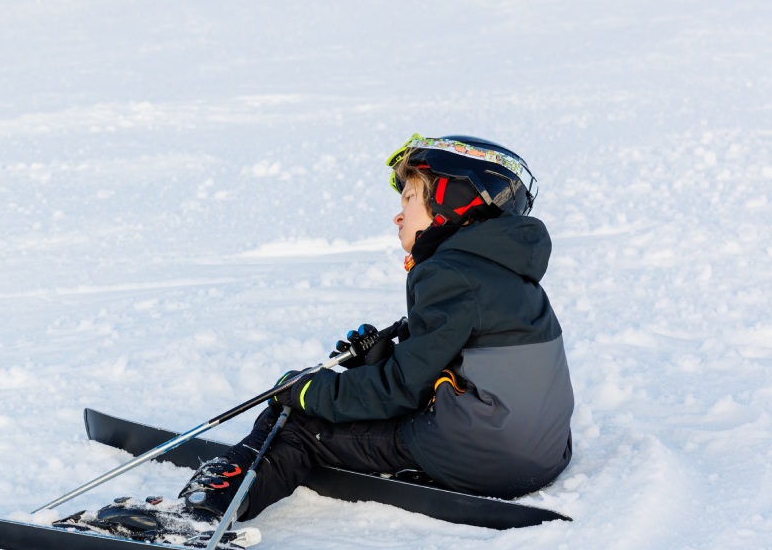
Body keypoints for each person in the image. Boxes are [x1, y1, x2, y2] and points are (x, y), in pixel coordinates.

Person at [180, 134, 574, 521]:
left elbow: (402, 388)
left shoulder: (447, 273)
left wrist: (308, 393)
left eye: (409, 198)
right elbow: (461, 359)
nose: (398, 214)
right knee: (334, 407)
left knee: (298, 422)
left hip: (483, 455)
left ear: (451, 203)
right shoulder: (508, 272)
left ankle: (202, 509)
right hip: (542, 455)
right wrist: (382, 358)